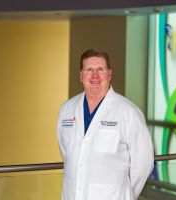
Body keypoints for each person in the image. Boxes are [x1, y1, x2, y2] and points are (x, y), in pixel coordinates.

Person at [57, 49, 154, 200]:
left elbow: (143, 163)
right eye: (89, 69)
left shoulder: (128, 112)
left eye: (100, 69)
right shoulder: (66, 109)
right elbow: (68, 152)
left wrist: (125, 193)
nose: (94, 75)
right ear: (81, 76)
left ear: (109, 74)